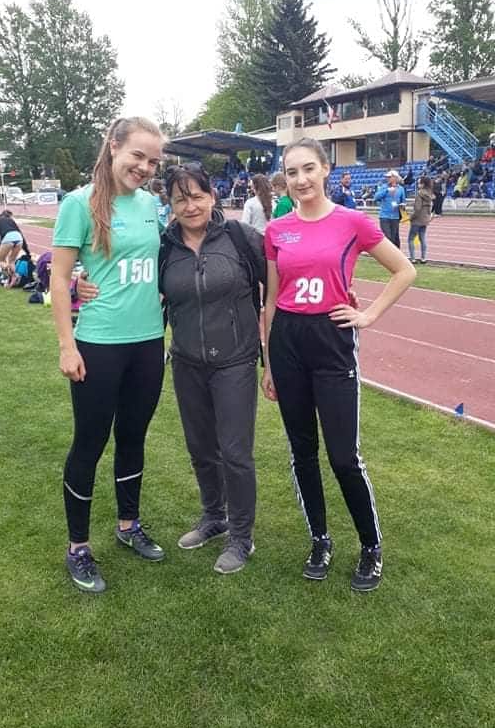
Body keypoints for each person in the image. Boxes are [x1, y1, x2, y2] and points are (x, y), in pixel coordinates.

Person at [79, 162, 266, 576]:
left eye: (197, 196)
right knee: (201, 448)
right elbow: (126, 276)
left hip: (235, 360)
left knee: (235, 452)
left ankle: (241, 536)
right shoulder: (163, 247)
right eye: (181, 199)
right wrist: (81, 280)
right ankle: (213, 516)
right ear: (170, 204)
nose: (190, 206)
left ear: (212, 197)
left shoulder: (239, 237)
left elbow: (283, 275)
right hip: (186, 361)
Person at [261, 138, 416, 592]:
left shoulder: (352, 222)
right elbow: (270, 301)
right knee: (302, 451)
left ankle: (370, 546)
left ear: (325, 169)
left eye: (308, 169)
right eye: (292, 172)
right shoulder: (277, 230)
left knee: (343, 456)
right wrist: (269, 364)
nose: (301, 179)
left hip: (331, 342)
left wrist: (368, 316)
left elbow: (404, 270)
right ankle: (320, 540)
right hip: (287, 342)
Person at [51, 116, 166, 594]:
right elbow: (60, 278)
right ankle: (77, 547)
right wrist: (67, 345)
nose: (145, 167)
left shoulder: (152, 204)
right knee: (90, 443)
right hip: (99, 344)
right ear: (114, 146)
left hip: (149, 343)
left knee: (133, 437)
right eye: (138, 155)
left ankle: (128, 524)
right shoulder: (79, 203)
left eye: (153, 161)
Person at [0, 209, 29, 285]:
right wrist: (27, 251)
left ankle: (12, 274)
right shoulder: (11, 220)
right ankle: (13, 278)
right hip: (19, 238)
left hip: (8, 238)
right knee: (12, 261)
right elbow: (21, 234)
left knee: (0, 260)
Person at [374, 169, 406, 247]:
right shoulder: (384, 187)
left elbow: (403, 201)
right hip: (384, 216)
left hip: (395, 217)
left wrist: (402, 205)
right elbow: (376, 197)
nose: (387, 178)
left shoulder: (401, 189)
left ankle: (394, 253)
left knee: (394, 238)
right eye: (387, 177)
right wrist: (387, 191)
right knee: (388, 237)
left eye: (389, 177)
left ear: (395, 178)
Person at [408, 176, 433, 263]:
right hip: (425, 219)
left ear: (423, 184)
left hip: (417, 220)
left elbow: (418, 209)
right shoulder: (429, 194)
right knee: (422, 238)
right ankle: (423, 258)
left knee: (411, 239)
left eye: (419, 183)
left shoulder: (420, 194)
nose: (418, 185)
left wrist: (411, 217)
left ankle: (413, 258)